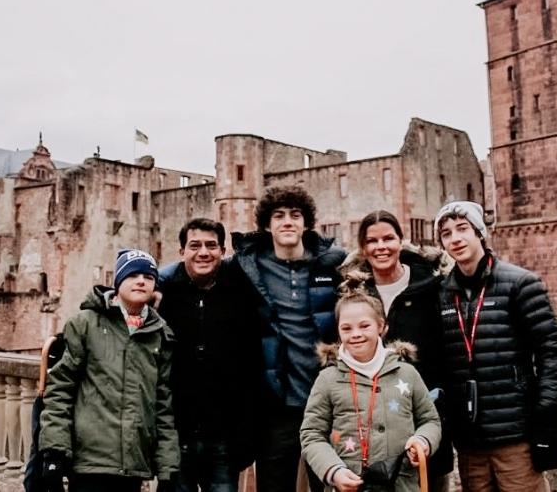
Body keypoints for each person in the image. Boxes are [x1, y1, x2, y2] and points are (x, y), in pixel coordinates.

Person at [434, 201, 557, 492]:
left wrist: (544, 415)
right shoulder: (442, 293)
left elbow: (553, 352)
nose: (455, 238)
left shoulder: (520, 283)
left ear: (479, 233)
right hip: (469, 440)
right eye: (446, 233)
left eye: (462, 229)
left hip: (515, 437)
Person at [230, 185, 347, 492]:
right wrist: (153, 284)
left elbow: (380, 260)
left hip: (326, 401)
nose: (287, 222)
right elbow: (198, 269)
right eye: (279, 215)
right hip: (276, 405)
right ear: (267, 225)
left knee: (332, 485)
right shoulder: (248, 265)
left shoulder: (333, 262)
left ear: (306, 223)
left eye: (295, 215)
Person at [38, 249, 179, 492]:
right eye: (132, 275)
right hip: (89, 462)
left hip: (133, 464)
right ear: (118, 281)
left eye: (148, 277)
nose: (141, 281)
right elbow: (60, 390)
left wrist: (167, 469)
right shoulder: (85, 324)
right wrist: (54, 453)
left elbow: (162, 406)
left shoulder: (160, 335)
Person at [340, 210, 453, 490]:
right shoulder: (353, 291)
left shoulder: (431, 286)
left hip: (424, 412)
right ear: (363, 247)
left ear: (401, 241)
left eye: (388, 238)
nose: (381, 247)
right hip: (371, 422)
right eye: (372, 241)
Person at [300, 284, 441, 492]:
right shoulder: (327, 380)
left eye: (364, 326)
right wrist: (333, 471)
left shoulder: (406, 373)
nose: (356, 334)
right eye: (346, 328)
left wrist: (423, 441)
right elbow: (312, 433)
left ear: (381, 327)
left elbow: (430, 420)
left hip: (402, 486)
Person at [156, 218, 260, 492]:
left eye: (211, 245)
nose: (203, 252)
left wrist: (246, 433)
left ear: (222, 251)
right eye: (195, 245)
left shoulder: (240, 294)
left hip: (225, 437)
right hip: (176, 435)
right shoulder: (164, 294)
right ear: (182, 252)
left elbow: (252, 365)